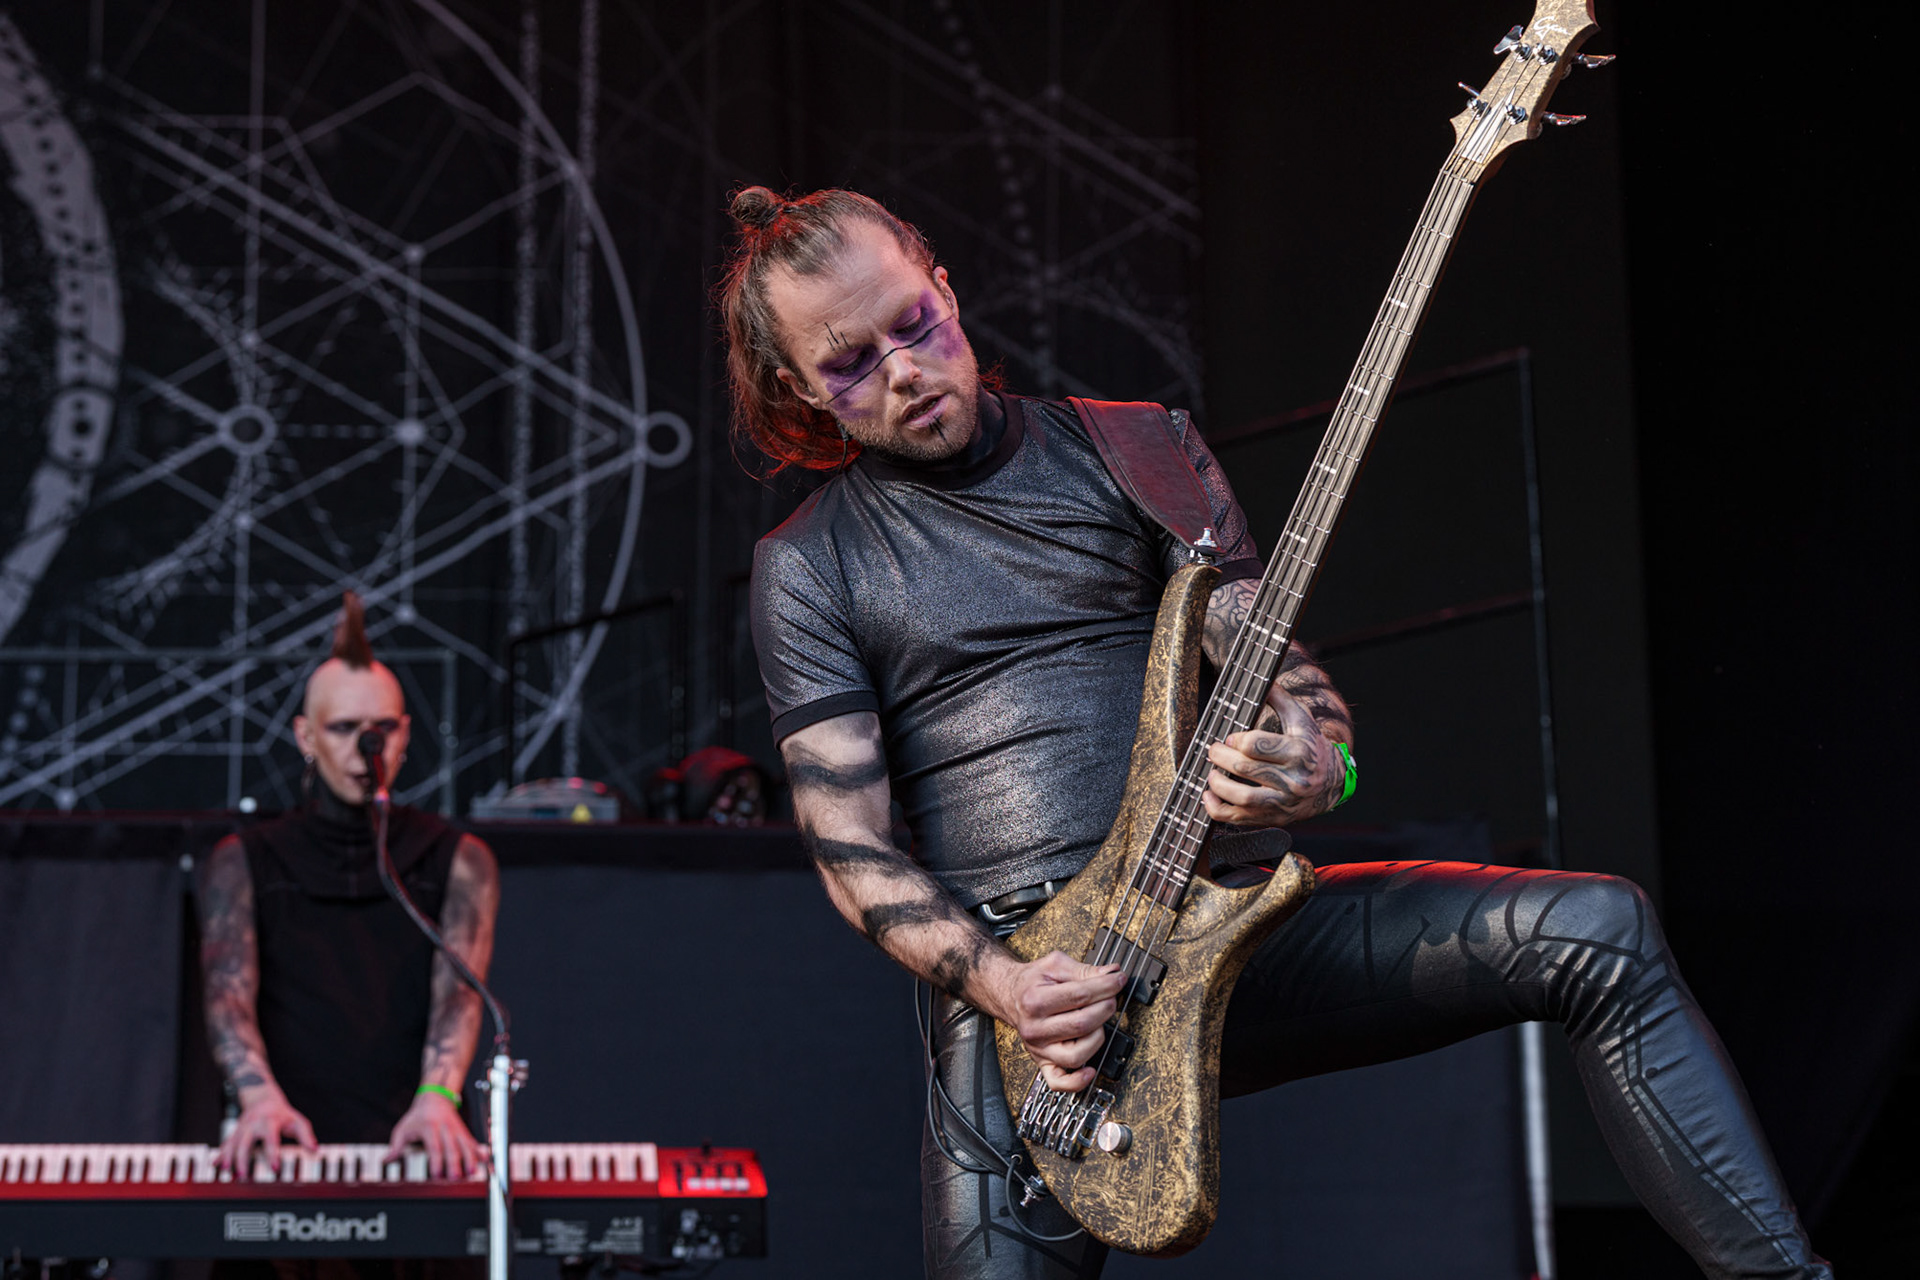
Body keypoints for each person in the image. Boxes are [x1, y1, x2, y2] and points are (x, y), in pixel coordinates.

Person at [724, 186, 1832, 1279]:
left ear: (946, 286)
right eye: (851, 363)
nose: (905, 370)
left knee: (1598, 929)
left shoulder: (1138, 448)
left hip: (1222, 927)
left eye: (914, 322)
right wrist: (1011, 990)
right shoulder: (810, 564)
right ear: (799, 388)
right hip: (1035, 1006)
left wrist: (1318, 758)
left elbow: (1280, 667)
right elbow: (852, 848)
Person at [194, 592, 499, 1186]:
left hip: (421, 1146)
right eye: (344, 729)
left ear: (405, 734)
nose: (367, 749)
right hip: (285, 1149)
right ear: (305, 736)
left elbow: (459, 997)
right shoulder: (243, 861)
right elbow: (227, 996)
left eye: (382, 729)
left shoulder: (461, 859)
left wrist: (438, 1096)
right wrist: (259, 1097)